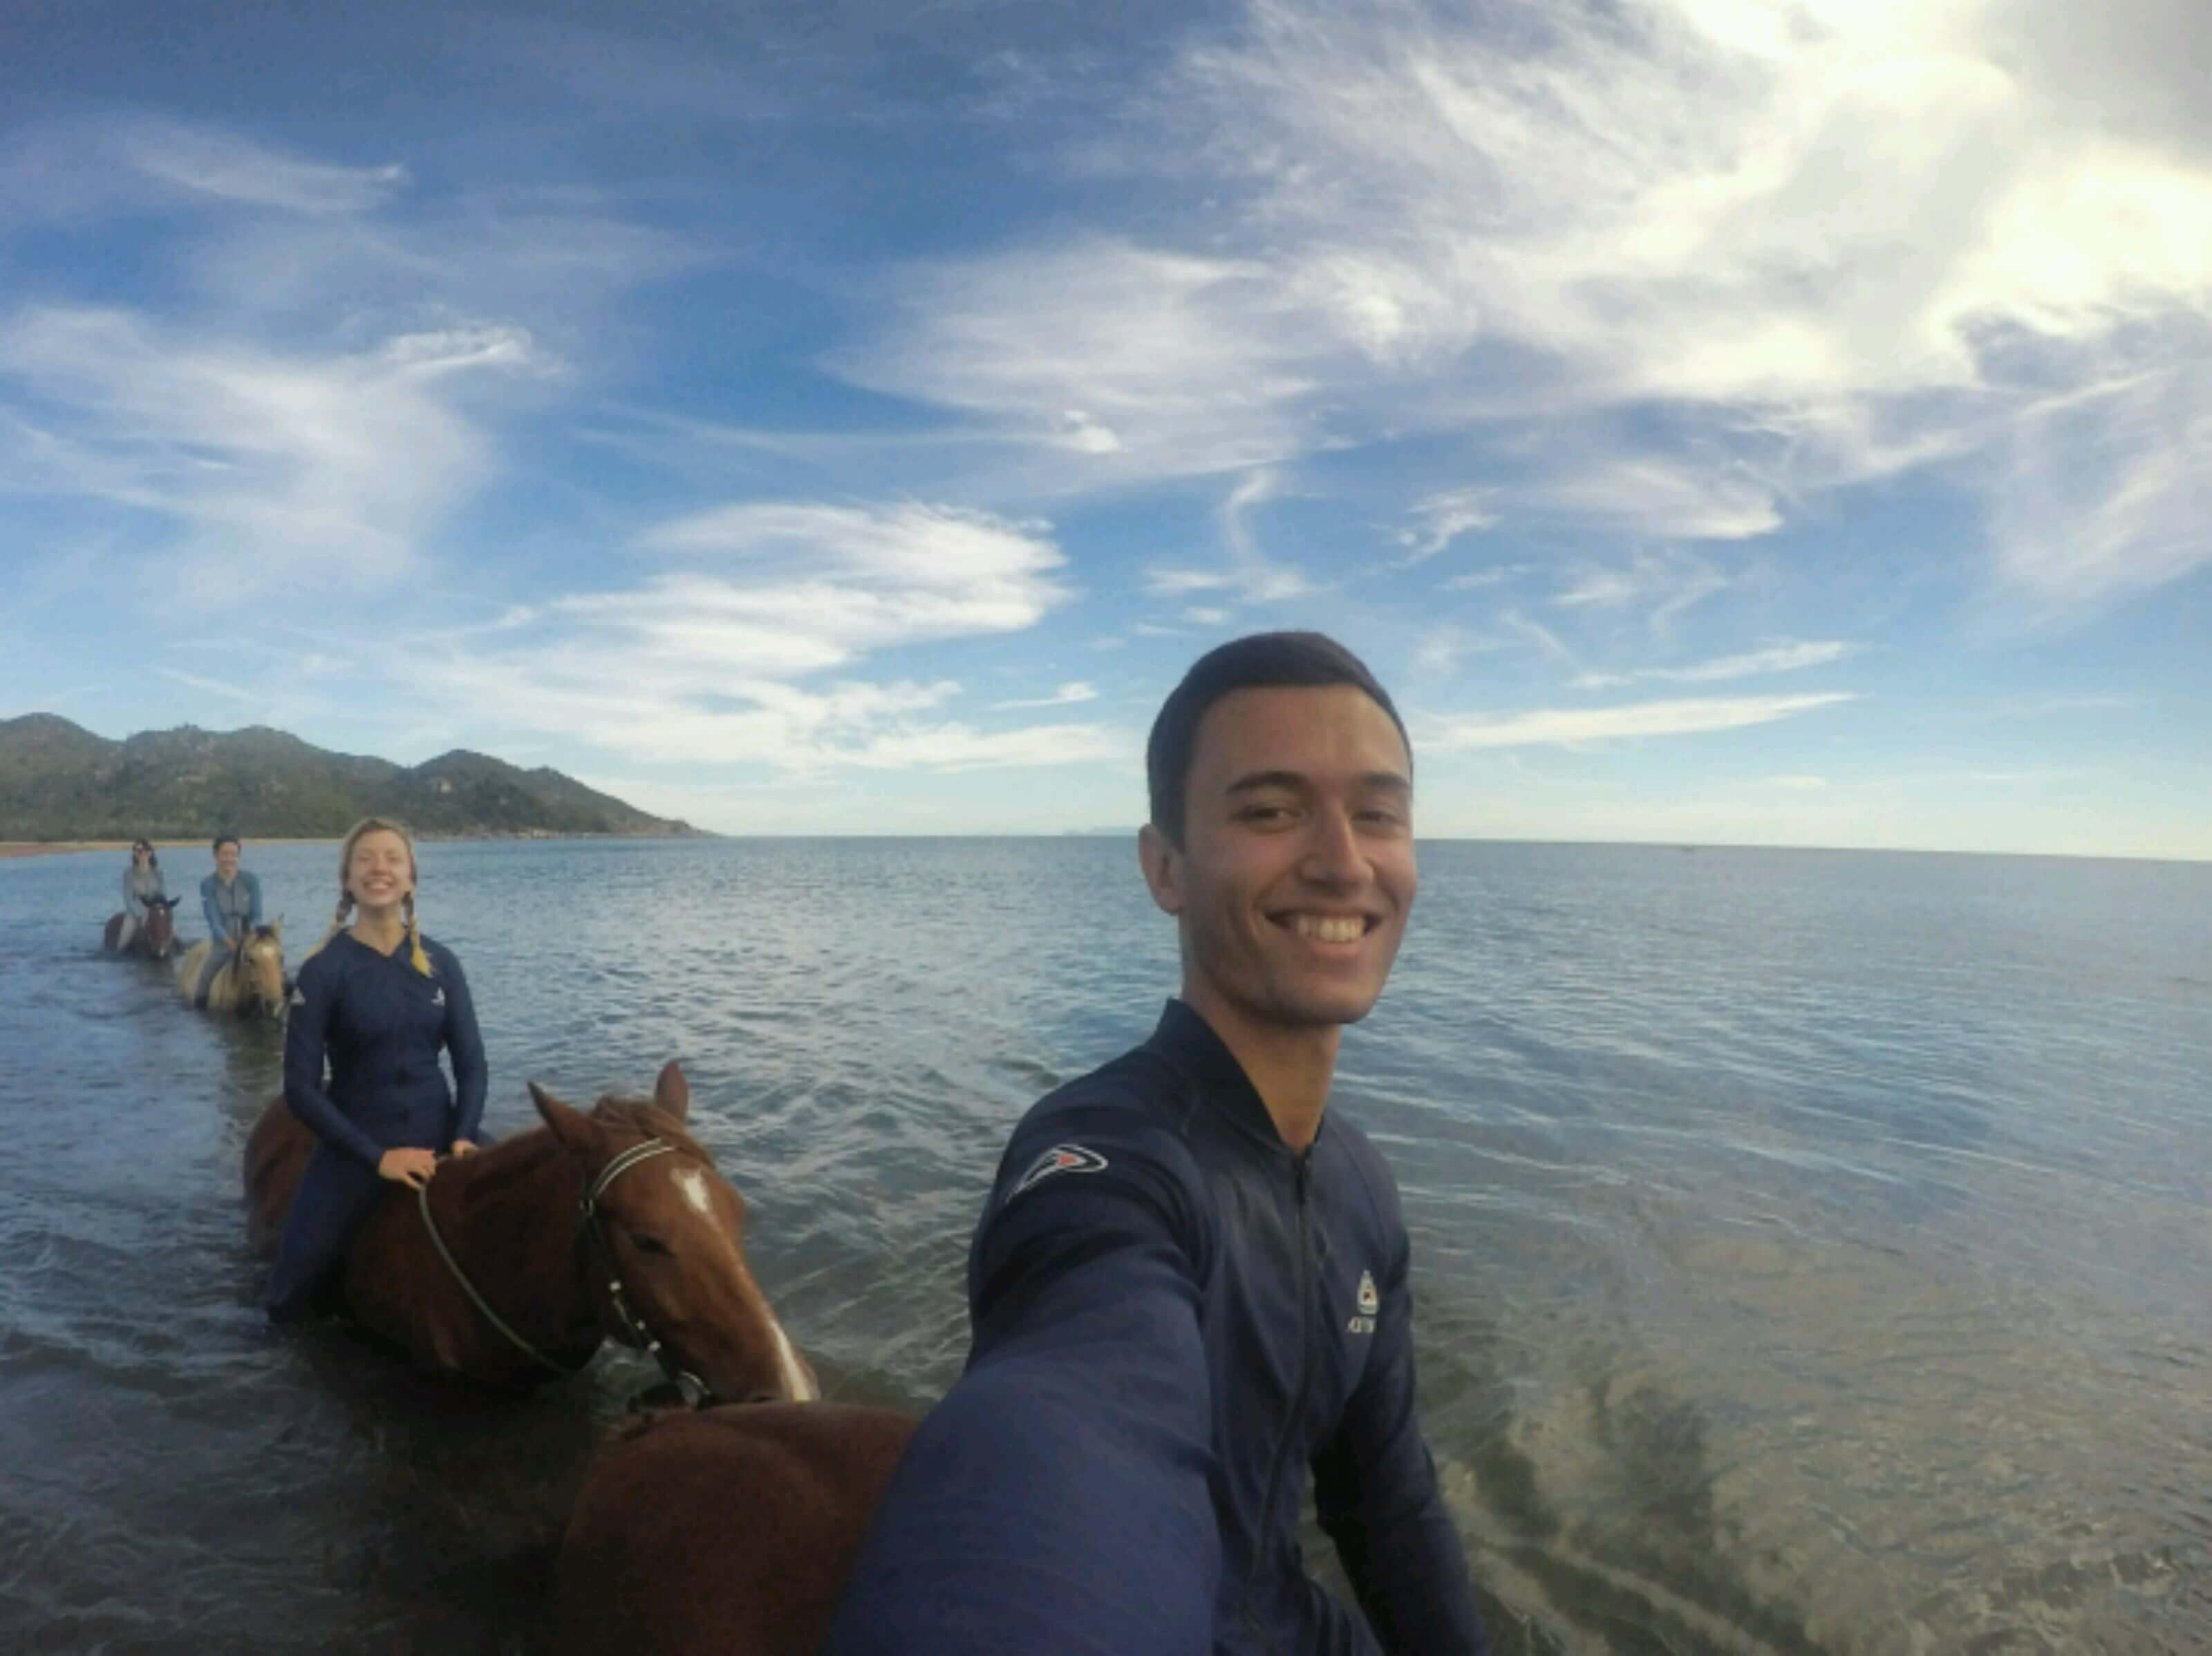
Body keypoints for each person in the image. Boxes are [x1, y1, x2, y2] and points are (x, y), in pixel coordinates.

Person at [827, 632, 1489, 1655]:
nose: (1341, 861)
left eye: (1378, 814)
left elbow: (1389, 1506)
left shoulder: (1361, 1184)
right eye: (1269, 811)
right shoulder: (1105, 1161)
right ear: (1165, 866)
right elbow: (1073, 1411)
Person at [267, 816, 488, 1324]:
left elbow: (471, 1063)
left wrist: (465, 1134)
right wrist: (378, 1158)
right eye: (364, 859)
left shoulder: (442, 963)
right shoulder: (324, 970)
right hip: (357, 1148)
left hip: (443, 1138)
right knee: (288, 1295)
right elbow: (300, 1088)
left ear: (410, 878)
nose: (379, 868)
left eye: (392, 858)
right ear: (348, 880)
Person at [194, 832, 265, 1001]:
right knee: (203, 984)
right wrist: (230, 943)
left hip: (248, 940)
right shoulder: (208, 884)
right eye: (224, 854)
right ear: (216, 856)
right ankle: (201, 1009)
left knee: (273, 970)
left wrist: (248, 938)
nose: (229, 859)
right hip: (223, 944)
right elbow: (213, 920)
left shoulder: (251, 880)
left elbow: (257, 915)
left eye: (233, 854)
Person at [115, 840, 168, 952]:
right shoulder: (128, 874)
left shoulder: (159, 872)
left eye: (146, 851)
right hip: (136, 911)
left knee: (172, 931)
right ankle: (118, 954)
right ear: (135, 854)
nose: (143, 854)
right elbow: (128, 898)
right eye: (139, 851)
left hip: (155, 909)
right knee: (125, 936)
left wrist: (158, 909)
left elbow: (163, 894)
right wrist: (140, 914)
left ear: (150, 853)